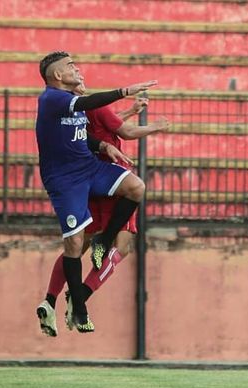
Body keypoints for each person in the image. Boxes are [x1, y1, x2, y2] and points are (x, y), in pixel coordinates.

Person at [35, 50, 156, 334]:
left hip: (90, 167)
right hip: (65, 181)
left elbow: (82, 132)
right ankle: (79, 304)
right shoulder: (53, 98)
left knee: (136, 187)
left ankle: (97, 249)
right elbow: (102, 111)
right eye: (70, 66)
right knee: (75, 245)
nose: (76, 69)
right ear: (58, 75)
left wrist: (102, 146)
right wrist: (126, 93)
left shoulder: (70, 105)